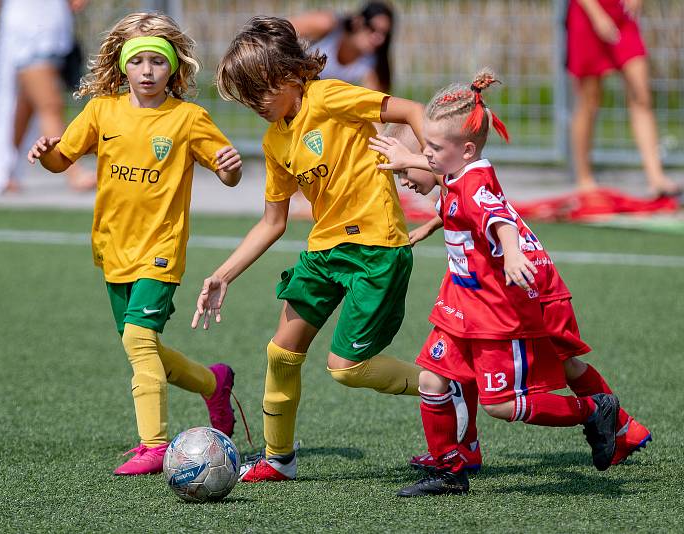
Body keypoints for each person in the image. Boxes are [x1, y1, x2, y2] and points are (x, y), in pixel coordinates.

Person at [191, 16, 429, 483]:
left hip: (376, 248)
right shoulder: (275, 138)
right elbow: (273, 222)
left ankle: (447, 386)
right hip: (325, 252)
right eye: (246, 96)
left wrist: (423, 162)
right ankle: (279, 459)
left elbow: (414, 111)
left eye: (261, 89)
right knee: (281, 353)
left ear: (291, 74)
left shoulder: (331, 96)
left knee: (347, 369)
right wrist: (223, 274)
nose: (256, 103)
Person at [368, 69, 622, 497]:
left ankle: (592, 410)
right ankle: (449, 470)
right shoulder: (459, 171)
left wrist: (514, 252)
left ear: (465, 149)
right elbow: (451, 188)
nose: (425, 154)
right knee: (432, 380)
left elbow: (498, 219)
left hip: (492, 315)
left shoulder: (477, 182)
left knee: (501, 405)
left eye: (432, 147)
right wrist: (410, 164)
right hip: (460, 307)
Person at [27, 12, 243, 476]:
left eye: (157, 62)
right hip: (113, 249)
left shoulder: (188, 119)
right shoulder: (103, 111)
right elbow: (64, 160)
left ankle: (153, 446)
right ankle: (213, 383)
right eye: (138, 61)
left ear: (174, 69)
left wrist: (229, 166)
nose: (147, 71)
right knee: (140, 345)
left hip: (161, 249)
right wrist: (47, 155)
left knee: (139, 340)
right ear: (123, 66)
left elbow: (228, 175)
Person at [0, 0, 96, 196]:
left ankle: (6, 169)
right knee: (50, 105)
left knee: (27, 104)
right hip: (25, 36)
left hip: (56, 35)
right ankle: (72, 170)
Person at [567, 0, 681, 197]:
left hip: (622, 15)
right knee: (589, 101)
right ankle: (584, 179)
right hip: (588, 14)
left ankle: (656, 178)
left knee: (642, 94)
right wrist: (597, 15)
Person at [290, 1, 394, 92]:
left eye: (384, 34)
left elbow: (374, 105)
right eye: (373, 29)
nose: (380, 40)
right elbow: (279, 34)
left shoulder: (372, 63)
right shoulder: (327, 24)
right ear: (358, 22)